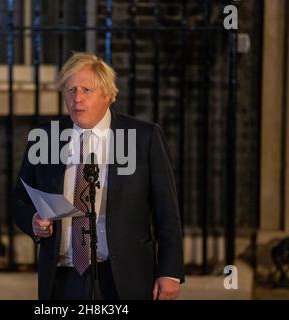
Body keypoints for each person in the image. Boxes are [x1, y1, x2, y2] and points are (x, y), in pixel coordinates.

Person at [12, 52, 184, 300]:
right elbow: (20, 198)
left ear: (108, 95)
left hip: (123, 276)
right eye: (70, 91)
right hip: (63, 277)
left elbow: (166, 210)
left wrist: (170, 271)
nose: (77, 99)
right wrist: (34, 221)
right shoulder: (46, 136)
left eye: (86, 90)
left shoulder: (144, 137)